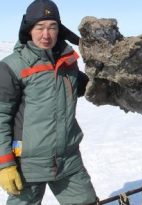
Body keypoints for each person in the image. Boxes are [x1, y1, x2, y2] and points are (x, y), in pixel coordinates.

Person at [0, 0, 97, 204]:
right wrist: (5, 164)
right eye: (40, 27)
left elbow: (85, 87)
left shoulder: (68, 62)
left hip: (68, 161)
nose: (46, 34)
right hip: (27, 165)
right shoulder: (11, 67)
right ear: (29, 29)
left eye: (52, 27)